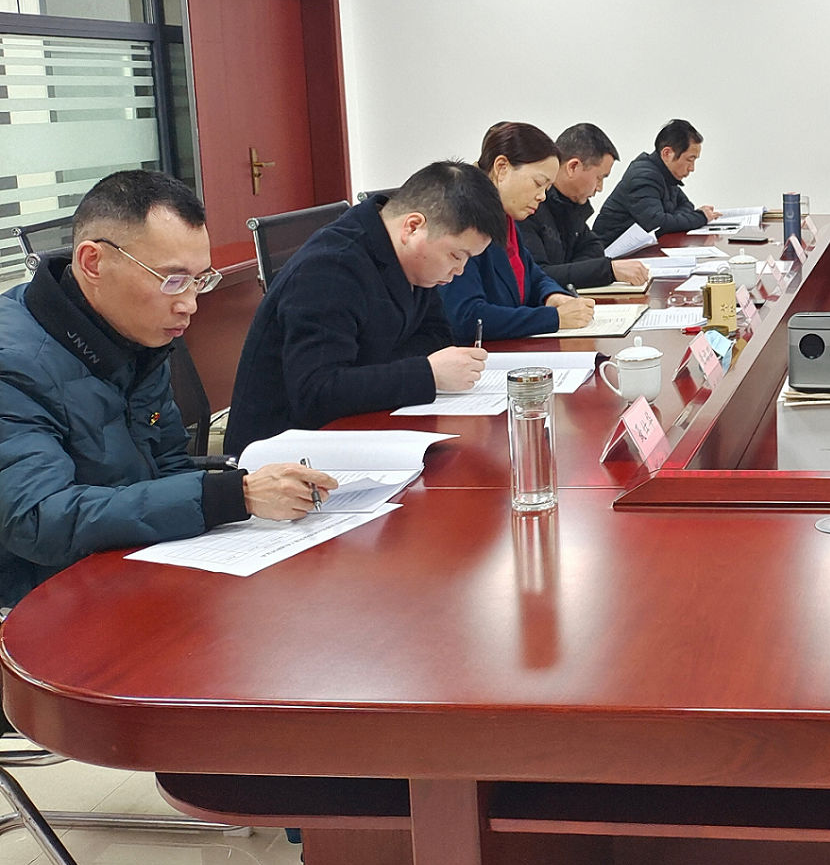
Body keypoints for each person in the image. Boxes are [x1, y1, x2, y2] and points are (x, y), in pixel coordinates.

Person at [0, 170, 333, 608]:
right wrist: (233, 495)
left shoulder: (135, 333)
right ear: (93, 263)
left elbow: (168, 462)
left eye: (200, 280)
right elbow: (38, 520)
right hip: (42, 601)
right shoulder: (13, 363)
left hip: (131, 562)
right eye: (172, 280)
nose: (189, 303)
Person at [223, 162, 506, 456]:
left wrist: (373, 373)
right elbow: (316, 392)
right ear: (413, 227)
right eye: (456, 256)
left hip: (360, 428)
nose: (460, 270)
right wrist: (426, 373)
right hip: (284, 454)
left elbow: (435, 338)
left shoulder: (415, 263)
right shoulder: (331, 268)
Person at [440, 121, 596, 344]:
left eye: (547, 189)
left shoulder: (505, 218)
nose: (542, 196)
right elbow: (467, 317)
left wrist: (551, 296)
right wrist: (553, 318)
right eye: (538, 183)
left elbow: (533, 274)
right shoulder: (463, 219)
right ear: (502, 167)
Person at [517, 122, 648, 290]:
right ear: (573, 167)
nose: (600, 188)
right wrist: (607, 270)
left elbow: (593, 246)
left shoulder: (571, 205)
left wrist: (572, 272)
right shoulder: (527, 208)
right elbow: (537, 275)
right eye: (599, 178)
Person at [592, 118, 719, 242]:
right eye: (689, 160)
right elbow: (657, 224)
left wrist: (672, 219)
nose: (692, 168)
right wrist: (701, 217)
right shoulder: (643, 176)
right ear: (667, 153)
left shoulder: (666, 175)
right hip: (612, 251)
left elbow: (686, 205)